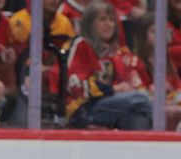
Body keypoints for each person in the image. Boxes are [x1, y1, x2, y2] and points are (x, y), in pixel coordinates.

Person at [65, 0, 151, 129]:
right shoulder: (80, 45)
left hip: (105, 105)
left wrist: (123, 88)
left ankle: (138, 148)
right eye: (102, 19)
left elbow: (118, 81)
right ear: (90, 23)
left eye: (111, 20)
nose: (109, 24)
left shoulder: (112, 53)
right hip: (81, 108)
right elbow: (75, 84)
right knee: (141, 100)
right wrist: (113, 90)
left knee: (136, 116)